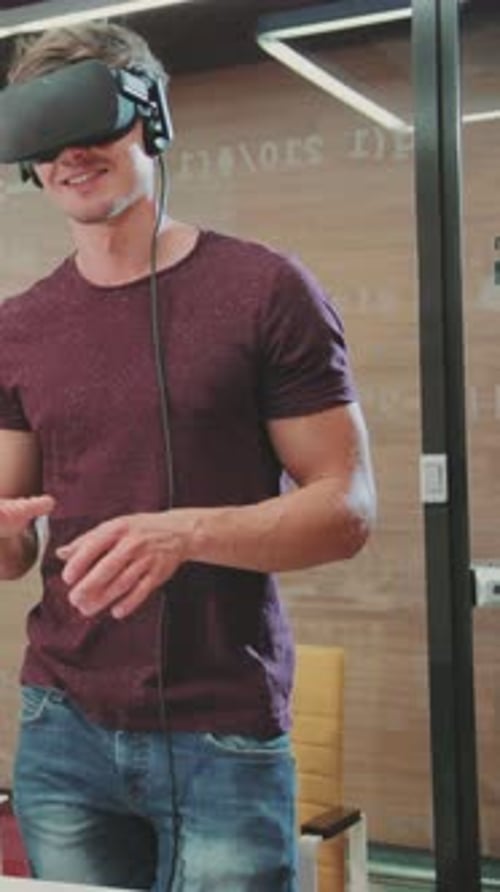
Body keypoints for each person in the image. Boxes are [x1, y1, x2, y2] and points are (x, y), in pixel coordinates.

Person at [0, 20, 376, 892]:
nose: (70, 153)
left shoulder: (265, 291)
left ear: (152, 120)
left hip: (223, 732)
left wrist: (183, 534)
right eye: (45, 134)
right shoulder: (16, 327)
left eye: (92, 119)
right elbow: (13, 545)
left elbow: (347, 508)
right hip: (61, 722)